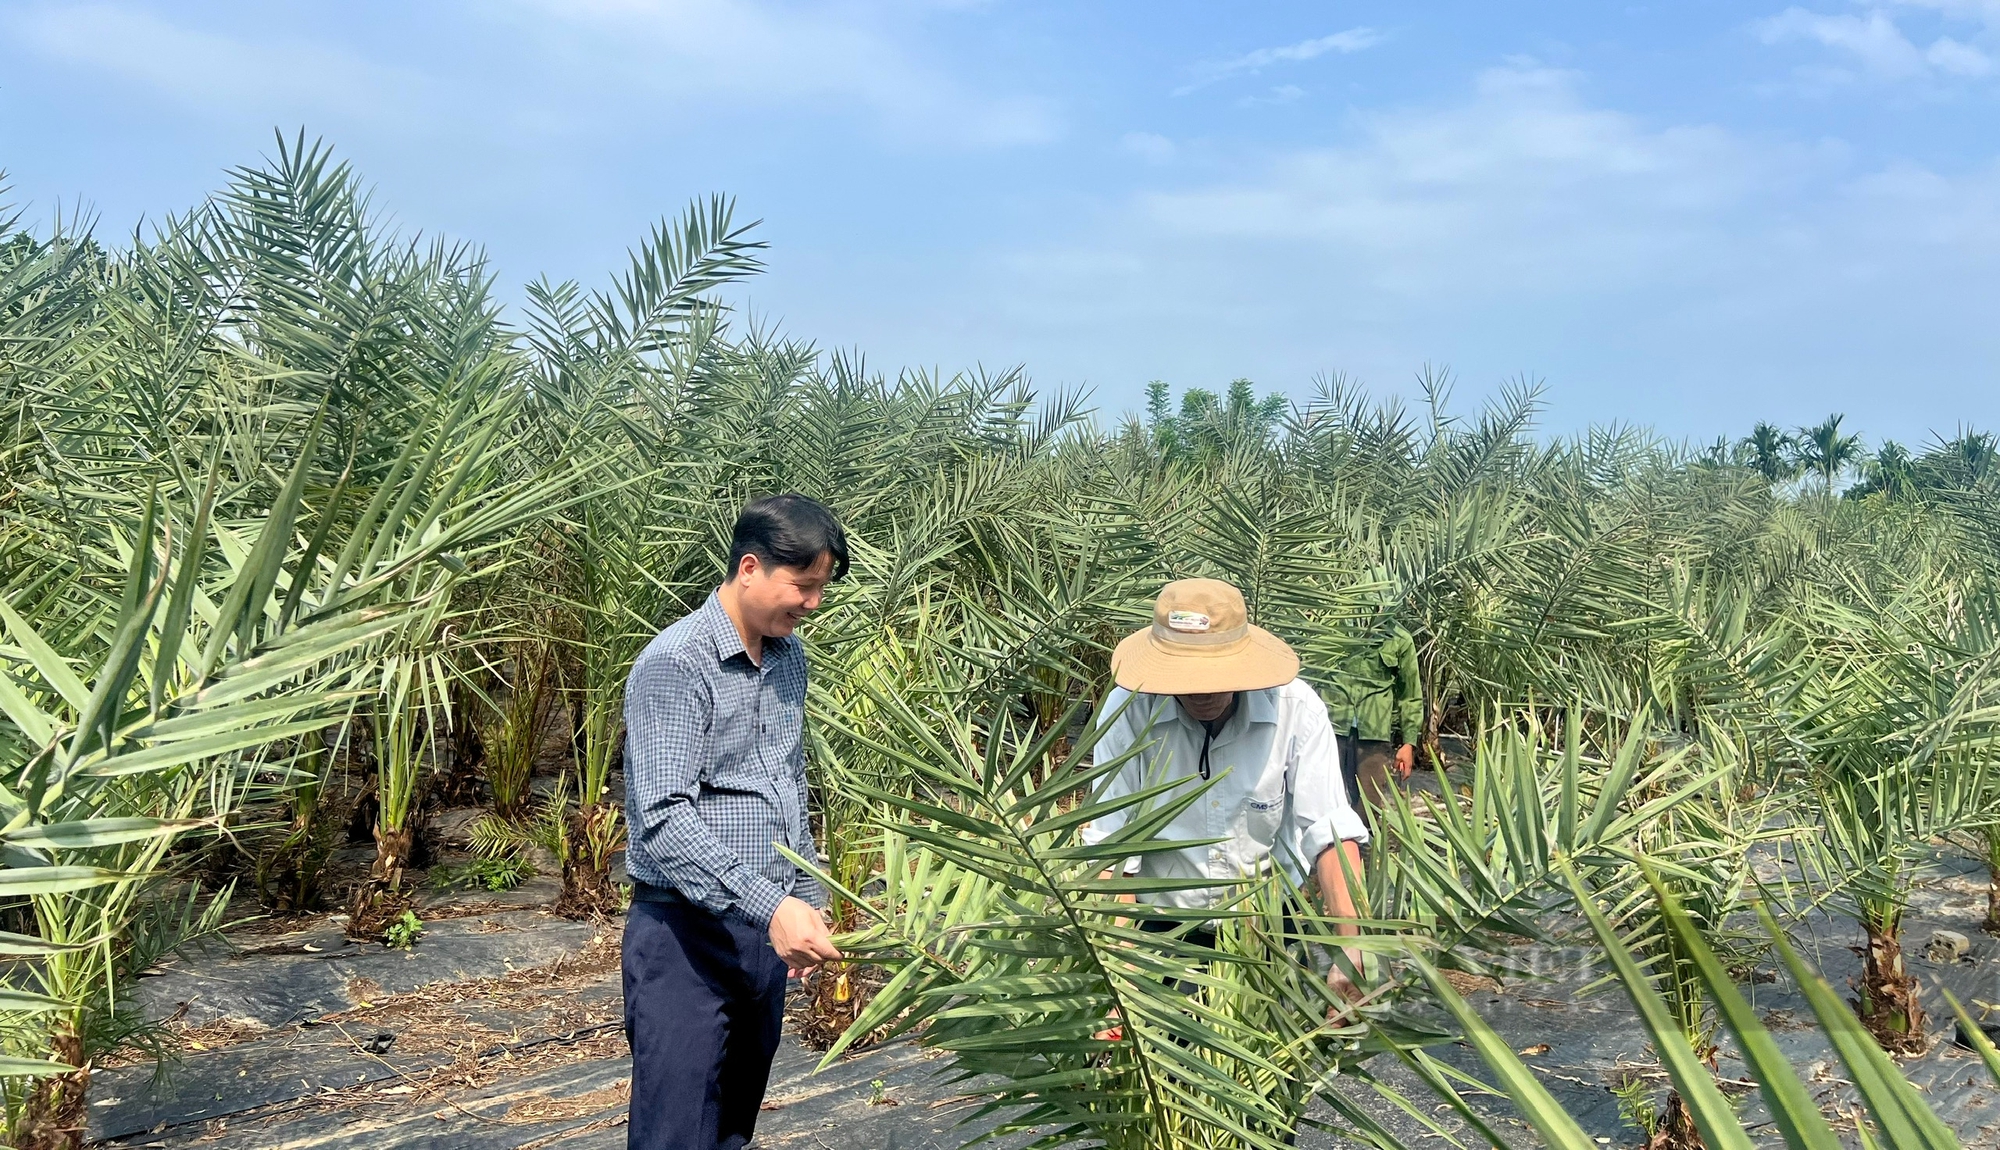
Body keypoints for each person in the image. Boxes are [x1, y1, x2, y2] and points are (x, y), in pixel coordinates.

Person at [620, 494, 847, 1150]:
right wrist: (772, 906)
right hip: (686, 939)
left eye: (821, 588)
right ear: (750, 568)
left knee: (730, 1130)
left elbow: (786, 787)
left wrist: (804, 901)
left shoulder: (788, 660)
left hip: (762, 940)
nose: (812, 603)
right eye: (802, 586)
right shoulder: (675, 664)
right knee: (676, 1135)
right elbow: (661, 822)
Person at [1081, 578, 1371, 1005]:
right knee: (1164, 1060)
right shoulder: (1128, 710)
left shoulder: (1296, 708)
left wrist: (1353, 945)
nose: (1200, 690)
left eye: (1214, 674)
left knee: (1271, 1062)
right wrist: (1117, 969)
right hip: (1164, 928)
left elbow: (1329, 830)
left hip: (1268, 930)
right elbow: (1112, 845)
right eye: (1183, 676)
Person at [1326, 613, 1423, 811]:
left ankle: (1365, 841)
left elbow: (1410, 694)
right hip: (1331, 727)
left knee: (1368, 805)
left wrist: (1408, 743)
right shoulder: (1332, 626)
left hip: (1373, 733)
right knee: (1324, 799)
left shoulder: (1400, 639)